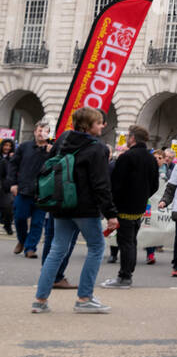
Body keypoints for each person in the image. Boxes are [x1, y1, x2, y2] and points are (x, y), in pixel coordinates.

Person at [31, 106, 118, 314]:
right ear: (88, 126)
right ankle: (84, 298)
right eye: (98, 123)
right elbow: (101, 184)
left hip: (60, 204)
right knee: (96, 248)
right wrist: (111, 213)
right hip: (85, 207)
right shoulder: (97, 148)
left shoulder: (64, 139)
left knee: (56, 249)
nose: (102, 126)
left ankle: (40, 300)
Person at [102, 125, 157, 289]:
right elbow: (154, 185)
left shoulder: (126, 157)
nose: (126, 138)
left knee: (125, 241)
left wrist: (113, 204)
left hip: (124, 205)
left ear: (133, 138)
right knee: (131, 240)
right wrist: (143, 195)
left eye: (128, 136)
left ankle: (124, 276)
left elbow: (117, 184)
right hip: (139, 206)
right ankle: (127, 274)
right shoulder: (151, 158)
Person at [12, 119, 53, 257]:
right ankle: (22, 240)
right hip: (24, 189)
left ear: (49, 134)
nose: (41, 133)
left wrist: (50, 153)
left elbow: (56, 167)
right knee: (19, 218)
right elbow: (13, 165)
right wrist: (13, 183)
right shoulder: (24, 147)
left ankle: (31, 248)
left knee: (37, 222)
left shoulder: (52, 149)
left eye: (45, 131)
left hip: (43, 192)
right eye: (39, 130)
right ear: (35, 132)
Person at [0, 137, 14, 234]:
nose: (7, 148)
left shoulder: (13, 158)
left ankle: (7, 225)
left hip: (6, 187)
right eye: (5, 145)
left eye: (9, 146)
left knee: (8, 207)